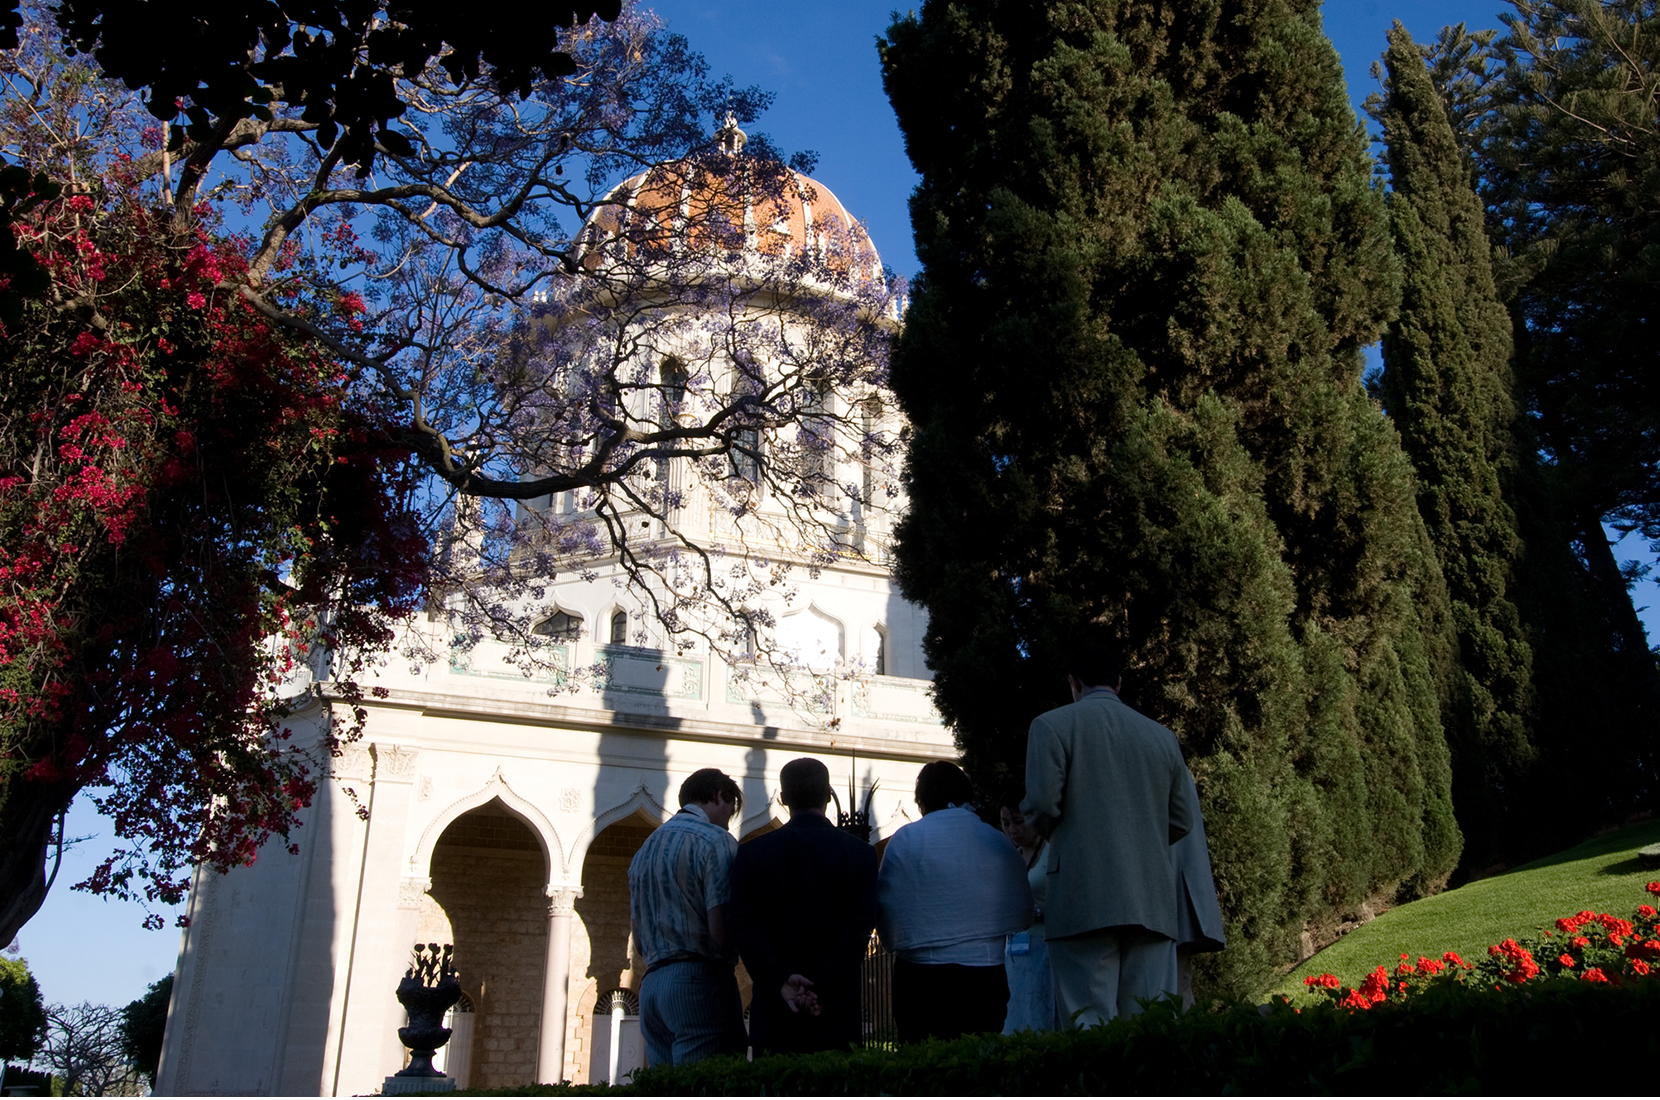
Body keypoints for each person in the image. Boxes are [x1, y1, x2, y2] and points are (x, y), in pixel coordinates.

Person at [1023, 637, 1198, 1027]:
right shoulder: (1161, 737)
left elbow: (1040, 805)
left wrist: (1071, 836)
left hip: (1080, 898)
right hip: (1151, 899)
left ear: (1073, 682)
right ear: (1118, 683)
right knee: (1150, 1028)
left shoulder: (1051, 727)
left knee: (1088, 1024)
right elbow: (1183, 818)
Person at [729, 757, 880, 1055]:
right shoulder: (860, 854)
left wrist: (783, 980)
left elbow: (744, 927)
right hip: (834, 1010)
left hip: (776, 1011)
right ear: (828, 796)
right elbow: (858, 928)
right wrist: (818, 984)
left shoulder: (751, 855)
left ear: (783, 799)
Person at [876, 761, 1033, 1042]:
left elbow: (890, 908)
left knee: (922, 1066)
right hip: (984, 974)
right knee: (978, 1065)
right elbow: (1021, 909)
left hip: (921, 977)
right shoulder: (995, 840)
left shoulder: (907, 839)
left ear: (921, 800)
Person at [627, 767, 747, 1067]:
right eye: (729, 812)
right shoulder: (715, 841)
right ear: (720, 795)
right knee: (705, 1085)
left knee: (664, 1088)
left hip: (652, 984)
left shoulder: (645, 849)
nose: (728, 822)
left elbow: (639, 939)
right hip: (698, 980)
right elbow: (720, 928)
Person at [998, 792, 1057, 1033]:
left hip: (1045, 948)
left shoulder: (1052, 851)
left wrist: (1039, 913)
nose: (1012, 830)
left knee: (1041, 1013)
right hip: (1014, 953)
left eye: (1018, 821)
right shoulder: (1011, 856)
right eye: (1005, 823)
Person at [1171, 768, 1227, 1009]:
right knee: (1179, 984)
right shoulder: (1165, 750)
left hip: (1166, 892)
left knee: (1169, 988)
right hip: (1180, 889)